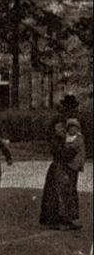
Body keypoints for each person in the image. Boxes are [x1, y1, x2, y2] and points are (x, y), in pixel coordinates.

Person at [40, 95, 79, 228]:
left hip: (70, 160)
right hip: (61, 159)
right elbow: (53, 139)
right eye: (70, 108)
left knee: (68, 189)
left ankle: (68, 218)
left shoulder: (72, 121)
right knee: (58, 190)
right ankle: (55, 220)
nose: (72, 110)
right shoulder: (59, 121)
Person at [55, 118, 85, 230]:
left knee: (70, 191)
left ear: (77, 129)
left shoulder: (78, 139)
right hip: (66, 167)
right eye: (70, 127)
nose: (72, 129)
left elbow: (71, 154)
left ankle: (73, 218)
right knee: (64, 191)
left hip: (72, 168)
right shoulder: (66, 138)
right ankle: (66, 218)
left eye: (74, 127)